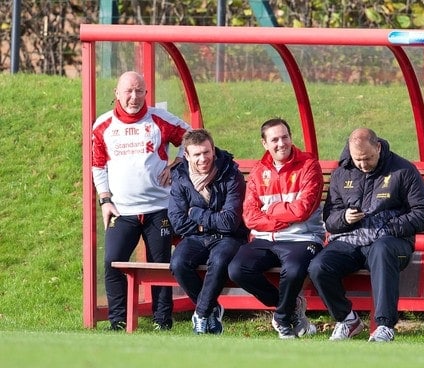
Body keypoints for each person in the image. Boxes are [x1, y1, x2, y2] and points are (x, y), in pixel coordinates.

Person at [308, 128, 424, 342]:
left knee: (382, 251)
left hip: (391, 241)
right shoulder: (341, 173)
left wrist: (391, 226)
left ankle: (385, 326)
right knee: (318, 267)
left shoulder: (403, 170)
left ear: (378, 147)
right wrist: (345, 218)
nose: (363, 164)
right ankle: (347, 320)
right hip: (350, 240)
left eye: (368, 158)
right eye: (358, 160)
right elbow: (330, 218)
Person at [92, 71, 191, 331]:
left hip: (159, 208)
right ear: (117, 93)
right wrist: (105, 200)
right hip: (122, 211)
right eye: (128, 91)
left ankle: (162, 320)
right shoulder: (103, 125)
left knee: (159, 264)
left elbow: (191, 137)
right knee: (112, 261)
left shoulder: (159, 119)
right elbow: (98, 164)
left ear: (146, 93)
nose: (134, 97)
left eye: (139, 91)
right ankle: (118, 320)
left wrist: (178, 164)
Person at [228, 118, 325, 339]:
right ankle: (290, 307)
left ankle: (281, 319)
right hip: (264, 238)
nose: (281, 143)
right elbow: (250, 217)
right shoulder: (257, 171)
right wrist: (282, 216)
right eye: (275, 139)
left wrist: (269, 210)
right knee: (237, 269)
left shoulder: (309, 165)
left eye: (285, 137)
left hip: (302, 237)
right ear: (264, 144)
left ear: (291, 137)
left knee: (293, 270)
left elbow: (302, 210)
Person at [168, 129, 248, 334]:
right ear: (186, 155)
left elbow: (230, 222)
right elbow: (178, 222)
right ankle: (212, 308)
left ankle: (202, 314)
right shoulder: (180, 177)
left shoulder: (231, 174)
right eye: (196, 154)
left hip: (229, 237)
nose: (203, 158)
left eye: (206, 152)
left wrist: (195, 213)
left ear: (213, 150)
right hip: (196, 236)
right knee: (178, 263)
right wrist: (209, 222)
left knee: (219, 260)